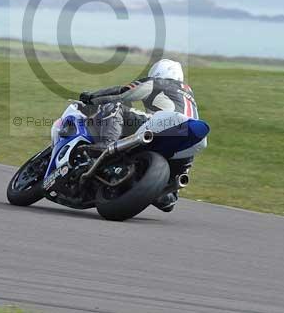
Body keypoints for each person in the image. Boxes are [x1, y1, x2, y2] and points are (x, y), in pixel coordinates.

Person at [79, 59, 198, 212]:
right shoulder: (189, 94)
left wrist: (90, 97)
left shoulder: (158, 82)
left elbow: (122, 93)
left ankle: (107, 144)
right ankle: (167, 191)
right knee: (169, 200)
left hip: (165, 125)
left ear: (158, 73)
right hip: (189, 140)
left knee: (115, 105)